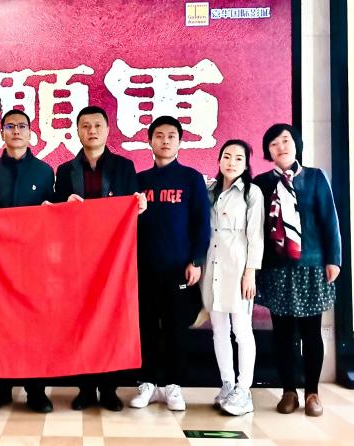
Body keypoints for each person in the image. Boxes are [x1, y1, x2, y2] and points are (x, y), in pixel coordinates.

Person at [54, 105, 146, 412]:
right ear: (77, 131)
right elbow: (55, 212)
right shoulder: (65, 171)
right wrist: (64, 204)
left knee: (111, 322)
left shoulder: (124, 167)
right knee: (80, 321)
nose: (91, 131)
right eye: (85, 126)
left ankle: (109, 389)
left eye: (97, 125)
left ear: (107, 130)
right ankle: (85, 389)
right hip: (77, 259)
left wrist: (139, 205)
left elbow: (133, 207)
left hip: (113, 259)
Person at [254, 124, 341, 417]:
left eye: (286, 141)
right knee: (282, 334)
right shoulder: (262, 183)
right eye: (274, 144)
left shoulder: (315, 177)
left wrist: (334, 259)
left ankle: (312, 392)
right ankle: (288, 391)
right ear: (268, 151)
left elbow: (330, 220)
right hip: (277, 268)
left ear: (296, 144)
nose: (281, 147)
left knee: (311, 333)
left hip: (311, 266)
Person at [0, 109, 55, 413]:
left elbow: (56, 212)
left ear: (30, 132)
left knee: (36, 325)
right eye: (10, 126)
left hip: (35, 262)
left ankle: (36, 389)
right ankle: (1, 387)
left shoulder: (45, 171)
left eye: (22, 126)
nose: (16, 131)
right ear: (2, 133)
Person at [131, 115, 210, 411]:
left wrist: (196, 260)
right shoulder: (139, 180)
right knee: (146, 327)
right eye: (159, 136)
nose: (165, 141)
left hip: (179, 268)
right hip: (144, 267)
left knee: (177, 328)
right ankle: (147, 383)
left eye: (171, 136)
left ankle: (173, 385)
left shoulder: (191, 178)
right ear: (150, 141)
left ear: (180, 141)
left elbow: (202, 222)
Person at [199, 140, 264, 416]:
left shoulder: (251, 193)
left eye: (238, 158)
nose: (231, 162)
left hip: (238, 271)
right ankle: (226, 384)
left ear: (246, 164)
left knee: (242, 330)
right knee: (219, 330)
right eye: (227, 156)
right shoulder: (209, 190)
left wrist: (250, 273)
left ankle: (244, 390)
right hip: (212, 270)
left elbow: (256, 237)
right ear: (219, 160)